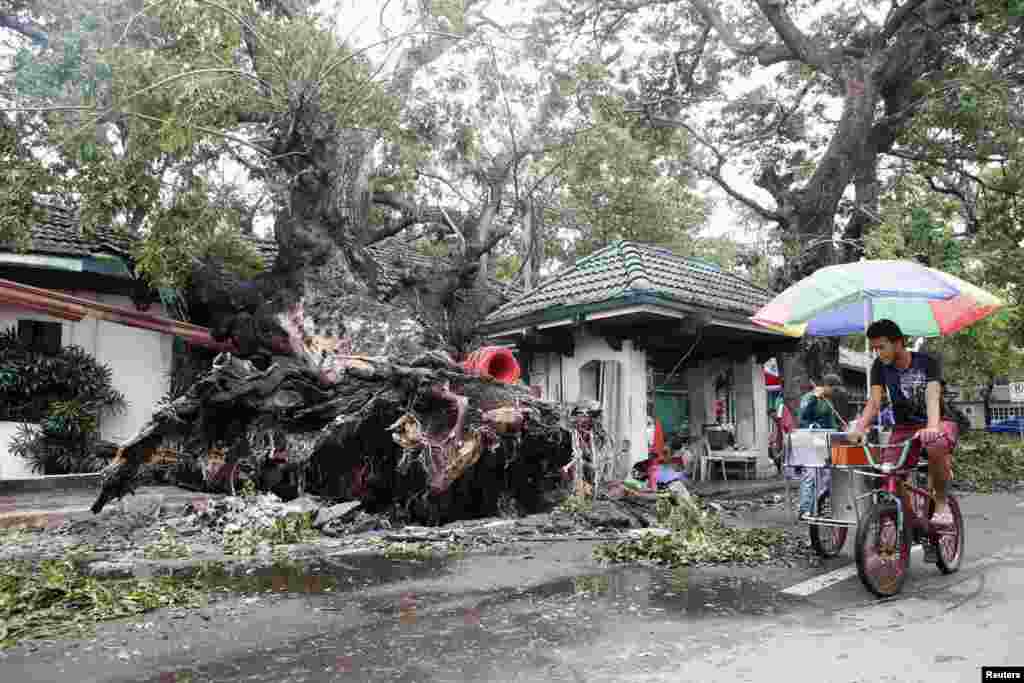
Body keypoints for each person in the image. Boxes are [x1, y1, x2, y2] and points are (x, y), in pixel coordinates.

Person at [849, 319, 959, 545]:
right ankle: (912, 522)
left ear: (898, 343)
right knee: (886, 472)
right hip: (904, 428)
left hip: (938, 421)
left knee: (935, 443)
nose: (878, 353)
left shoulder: (927, 362)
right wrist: (860, 427)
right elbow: (874, 402)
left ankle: (940, 503)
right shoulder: (880, 367)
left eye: (882, 347)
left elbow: (932, 396)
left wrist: (932, 426)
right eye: (874, 348)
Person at [796, 373, 845, 520]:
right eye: (834, 389)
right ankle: (805, 509)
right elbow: (803, 416)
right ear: (827, 386)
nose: (835, 393)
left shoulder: (828, 401)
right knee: (810, 474)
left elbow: (831, 423)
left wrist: (840, 433)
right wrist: (813, 398)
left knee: (828, 476)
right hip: (811, 441)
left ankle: (820, 505)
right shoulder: (810, 397)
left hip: (825, 442)